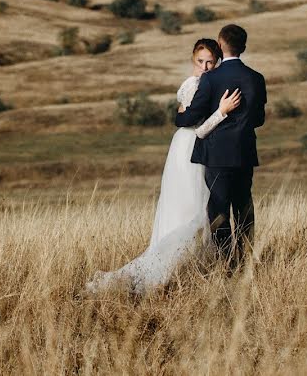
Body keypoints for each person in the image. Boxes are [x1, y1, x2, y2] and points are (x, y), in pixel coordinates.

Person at [85, 38, 242, 294]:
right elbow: (197, 127)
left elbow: (182, 116)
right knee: (191, 209)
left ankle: (188, 267)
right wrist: (222, 112)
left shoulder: (196, 84)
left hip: (185, 145)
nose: (204, 66)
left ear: (218, 62)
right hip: (191, 146)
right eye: (199, 61)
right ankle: (170, 270)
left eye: (209, 62)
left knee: (193, 208)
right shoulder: (198, 86)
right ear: (193, 60)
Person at [175, 24, 267, 266]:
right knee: (243, 207)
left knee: (218, 210)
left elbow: (190, 118)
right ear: (244, 47)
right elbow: (259, 119)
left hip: (216, 154)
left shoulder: (211, 79)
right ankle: (246, 258)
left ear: (220, 43)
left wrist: (181, 115)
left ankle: (226, 263)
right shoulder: (256, 79)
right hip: (245, 152)